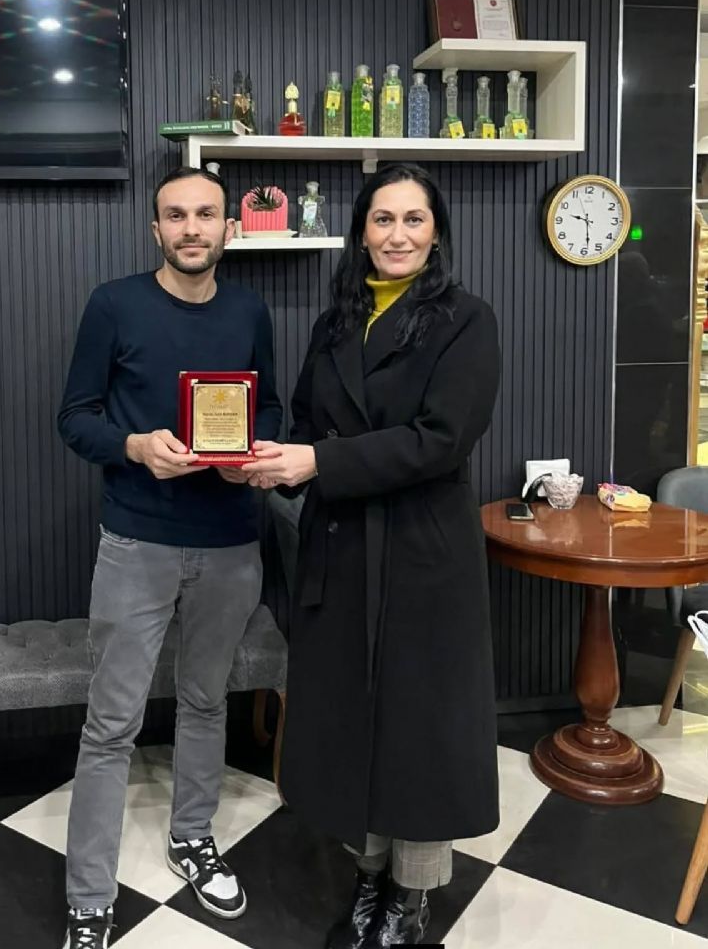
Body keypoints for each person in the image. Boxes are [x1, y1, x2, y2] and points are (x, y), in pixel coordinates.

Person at [243, 162, 501, 948]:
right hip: (342, 546)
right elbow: (309, 421)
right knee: (353, 723)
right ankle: (369, 875)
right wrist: (268, 460)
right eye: (382, 220)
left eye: (413, 220)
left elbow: (440, 440)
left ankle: (410, 897)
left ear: (437, 232)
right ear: (360, 232)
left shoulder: (466, 320)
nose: (397, 235)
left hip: (423, 552)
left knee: (418, 734)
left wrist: (317, 461)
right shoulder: (335, 323)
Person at [57, 165, 282, 949]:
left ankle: (192, 837)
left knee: (206, 702)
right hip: (137, 541)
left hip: (230, 542)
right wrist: (134, 446)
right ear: (156, 228)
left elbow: (270, 406)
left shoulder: (250, 311)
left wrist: (253, 455)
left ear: (229, 229)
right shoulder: (113, 305)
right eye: (177, 215)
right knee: (110, 725)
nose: (192, 228)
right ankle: (89, 898)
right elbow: (74, 417)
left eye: (206, 215)